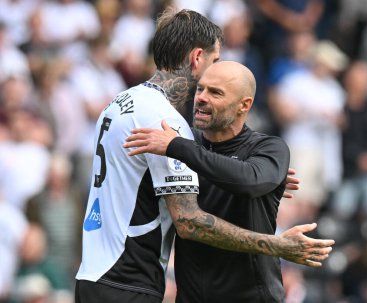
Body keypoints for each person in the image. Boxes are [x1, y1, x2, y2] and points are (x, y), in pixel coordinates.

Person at [75, 8, 334, 303]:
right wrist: (277, 245)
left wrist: (260, 175)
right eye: (215, 60)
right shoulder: (166, 124)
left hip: (93, 275)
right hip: (128, 282)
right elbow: (189, 221)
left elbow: (150, 179)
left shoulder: (121, 101)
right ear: (197, 58)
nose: (213, 72)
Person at [124, 60, 321, 302]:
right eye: (200, 89)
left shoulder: (268, 147)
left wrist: (177, 147)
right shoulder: (184, 142)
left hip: (252, 297)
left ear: (244, 105)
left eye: (215, 92)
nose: (202, 98)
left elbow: (250, 181)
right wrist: (179, 146)